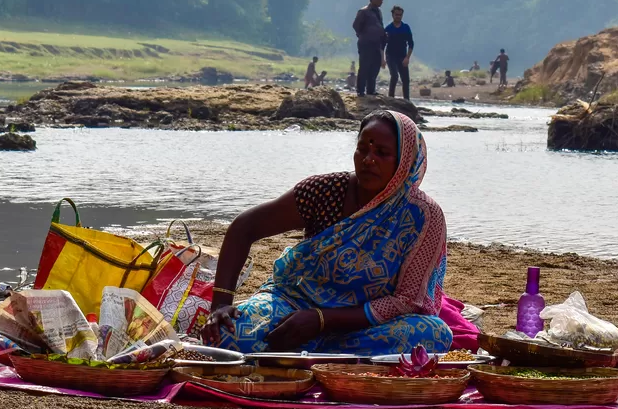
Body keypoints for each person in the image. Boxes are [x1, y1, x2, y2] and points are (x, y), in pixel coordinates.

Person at [200, 111, 477, 355]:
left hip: (364, 324)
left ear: (405, 162)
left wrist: (321, 320)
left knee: (434, 335)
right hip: (293, 305)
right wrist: (221, 304)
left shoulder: (423, 216)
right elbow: (245, 226)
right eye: (362, 149)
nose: (368, 160)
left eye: (381, 153)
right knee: (225, 334)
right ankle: (324, 357)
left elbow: (406, 301)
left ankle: (307, 355)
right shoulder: (325, 191)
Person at [351, 0, 386, 96]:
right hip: (366, 43)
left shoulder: (378, 12)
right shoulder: (364, 11)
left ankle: (371, 90)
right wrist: (364, 35)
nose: (381, 2)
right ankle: (360, 90)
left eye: (382, 0)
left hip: (376, 43)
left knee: (375, 67)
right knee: (365, 66)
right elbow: (356, 26)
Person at [384, 6, 414, 101]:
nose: (398, 16)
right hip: (390, 56)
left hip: (402, 56)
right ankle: (391, 98)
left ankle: (407, 100)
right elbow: (382, 44)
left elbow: (411, 44)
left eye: (400, 15)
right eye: (396, 15)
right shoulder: (388, 28)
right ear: (393, 15)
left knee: (405, 79)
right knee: (394, 76)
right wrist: (382, 58)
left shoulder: (406, 27)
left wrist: (407, 58)